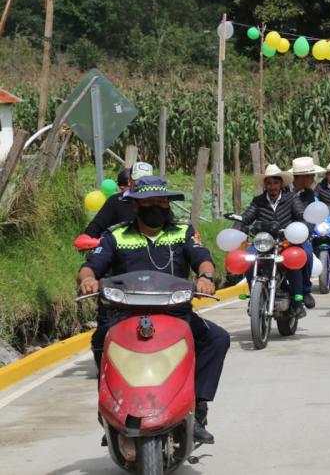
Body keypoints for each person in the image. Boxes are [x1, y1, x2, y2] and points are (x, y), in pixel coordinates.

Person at [77, 176, 229, 444]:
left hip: (175, 314)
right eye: (149, 202)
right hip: (125, 315)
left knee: (217, 338)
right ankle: (109, 413)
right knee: (100, 341)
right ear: (135, 206)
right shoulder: (115, 235)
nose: (156, 207)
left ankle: (199, 410)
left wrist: (205, 277)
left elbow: (203, 259)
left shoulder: (183, 232)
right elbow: (92, 265)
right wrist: (87, 279)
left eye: (162, 202)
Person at [238, 165, 308, 318]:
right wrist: (238, 226)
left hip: (285, 242)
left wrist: (302, 226)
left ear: (281, 184)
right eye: (269, 183)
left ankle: (298, 301)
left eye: (275, 183)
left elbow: (301, 214)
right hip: (263, 244)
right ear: (265, 185)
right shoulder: (258, 201)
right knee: (248, 259)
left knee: (294, 262)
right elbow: (246, 217)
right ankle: (254, 296)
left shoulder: (292, 199)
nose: (272, 187)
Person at [289, 156, 326, 309]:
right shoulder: (282, 190)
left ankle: (305, 290)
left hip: (299, 234)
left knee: (307, 253)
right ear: (302, 177)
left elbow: (309, 216)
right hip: (279, 234)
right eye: (311, 176)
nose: (313, 179)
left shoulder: (309, 194)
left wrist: (304, 231)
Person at [83, 163, 153, 238]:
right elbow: (96, 226)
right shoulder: (115, 201)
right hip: (121, 247)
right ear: (129, 181)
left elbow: (166, 226)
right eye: (138, 181)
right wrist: (86, 237)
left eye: (146, 182)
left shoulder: (158, 201)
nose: (142, 185)